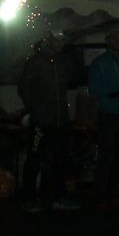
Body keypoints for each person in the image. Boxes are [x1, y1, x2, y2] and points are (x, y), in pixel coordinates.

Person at [18, 31, 80, 212]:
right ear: (49, 40)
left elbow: (69, 83)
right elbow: (24, 88)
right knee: (34, 159)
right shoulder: (35, 62)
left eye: (62, 40)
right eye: (57, 40)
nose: (60, 43)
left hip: (60, 120)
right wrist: (35, 109)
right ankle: (29, 199)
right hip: (41, 121)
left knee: (60, 160)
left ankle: (58, 197)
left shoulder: (63, 61)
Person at [87, 28, 119, 210]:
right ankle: (101, 196)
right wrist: (116, 94)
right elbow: (93, 89)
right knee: (106, 156)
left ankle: (113, 193)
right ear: (107, 40)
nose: (118, 41)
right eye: (114, 38)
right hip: (107, 114)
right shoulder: (99, 63)